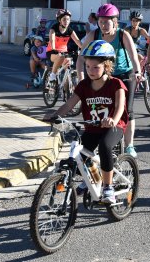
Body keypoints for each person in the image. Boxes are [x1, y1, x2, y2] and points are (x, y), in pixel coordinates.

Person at [43, 40, 129, 204]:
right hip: (92, 127)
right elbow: (69, 104)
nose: (91, 71)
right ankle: (95, 179)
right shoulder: (83, 85)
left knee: (104, 146)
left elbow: (119, 107)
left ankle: (108, 187)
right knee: (81, 155)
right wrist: (55, 115)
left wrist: (112, 120)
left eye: (96, 67)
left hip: (114, 127)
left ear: (107, 66)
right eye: (88, 67)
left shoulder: (116, 84)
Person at [80, 4, 142, 157]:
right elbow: (81, 58)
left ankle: (129, 146)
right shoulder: (93, 35)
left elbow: (134, 56)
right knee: (98, 106)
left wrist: (137, 72)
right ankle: (102, 137)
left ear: (115, 22)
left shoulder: (123, 35)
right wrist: (81, 77)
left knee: (128, 110)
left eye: (107, 22)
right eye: (100, 21)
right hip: (104, 76)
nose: (103, 25)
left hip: (124, 75)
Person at [46, 9, 82, 83]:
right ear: (59, 20)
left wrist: (84, 49)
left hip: (64, 52)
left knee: (68, 66)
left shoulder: (70, 30)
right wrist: (54, 49)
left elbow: (78, 41)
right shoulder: (54, 29)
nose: (67, 21)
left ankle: (66, 90)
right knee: (60, 57)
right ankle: (52, 75)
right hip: (52, 52)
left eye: (68, 19)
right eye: (64, 19)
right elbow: (52, 40)